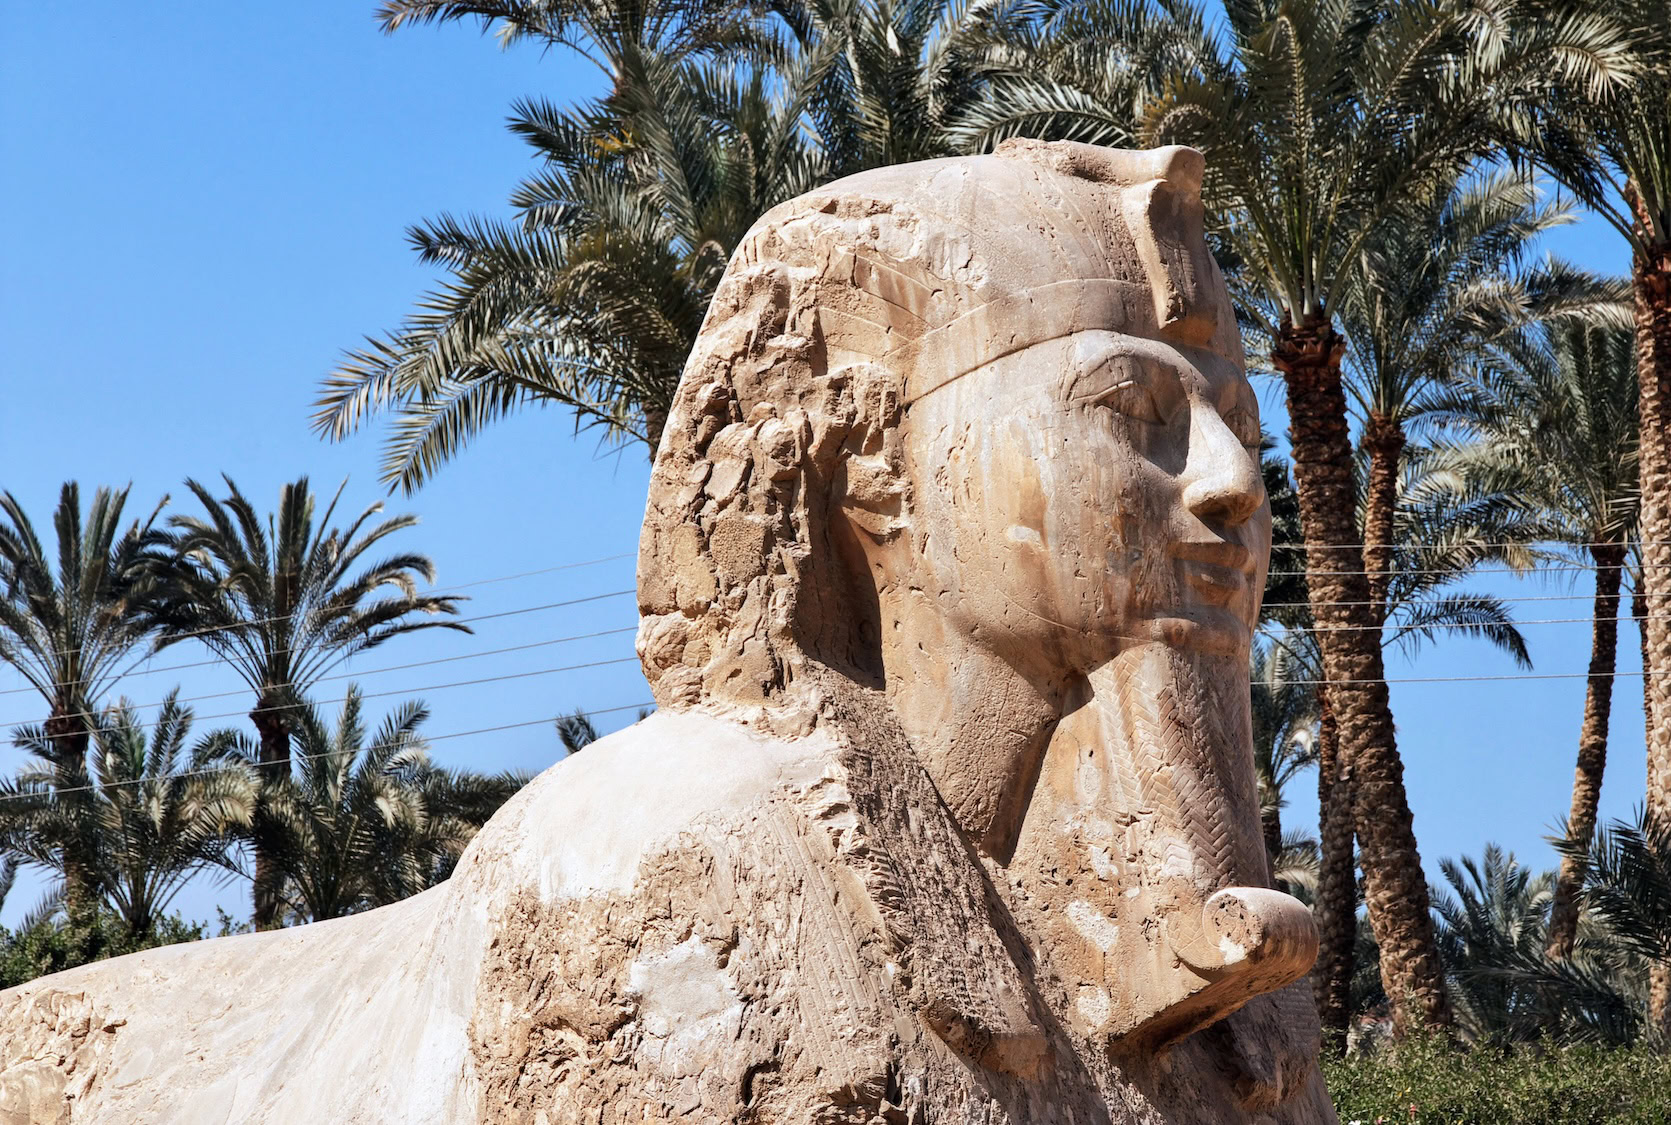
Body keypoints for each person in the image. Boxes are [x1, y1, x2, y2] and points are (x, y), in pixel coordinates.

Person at [0, 139, 1331, 1124]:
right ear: (867, 456)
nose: (1232, 485)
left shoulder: (1245, 1001)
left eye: (1241, 427)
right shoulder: (669, 865)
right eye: (1133, 409)